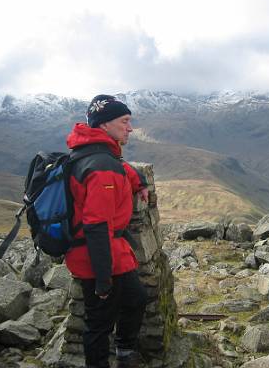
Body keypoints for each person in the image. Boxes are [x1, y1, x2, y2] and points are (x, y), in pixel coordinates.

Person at [64, 95, 149, 368]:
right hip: (97, 257)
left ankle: (125, 353)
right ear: (104, 125)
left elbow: (118, 168)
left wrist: (139, 179)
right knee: (99, 323)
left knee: (135, 298)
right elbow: (96, 225)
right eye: (125, 121)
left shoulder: (95, 153)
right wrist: (103, 279)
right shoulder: (102, 167)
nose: (130, 128)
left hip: (110, 252)